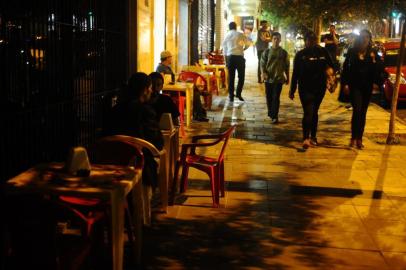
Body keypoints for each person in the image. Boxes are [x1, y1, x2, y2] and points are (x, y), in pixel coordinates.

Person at [104, 72, 163, 187]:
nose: (151, 91)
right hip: (139, 164)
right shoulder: (145, 111)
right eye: (150, 88)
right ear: (145, 90)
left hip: (112, 160)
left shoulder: (115, 110)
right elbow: (158, 143)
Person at [289, 31, 334, 149]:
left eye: (313, 40)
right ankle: (306, 138)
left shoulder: (323, 52)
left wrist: (330, 73)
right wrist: (292, 89)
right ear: (305, 41)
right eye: (309, 40)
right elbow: (295, 73)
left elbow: (333, 66)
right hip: (305, 87)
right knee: (308, 111)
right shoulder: (300, 55)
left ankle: (313, 136)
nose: (311, 42)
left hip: (319, 87)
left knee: (314, 112)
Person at [341, 29, 384, 149]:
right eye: (363, 37)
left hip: (367, 86)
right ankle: (353, 137)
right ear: (359, 38)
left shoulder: (373, 52)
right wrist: (345, 84)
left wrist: (377, 82)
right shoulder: (352, 51)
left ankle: (359, 138)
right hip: (355, 86)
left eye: (367, 37)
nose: (364, 39)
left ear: (369, 39)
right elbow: (346, 69)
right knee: (357, 110)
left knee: (363, 113)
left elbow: (380, 68)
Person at [156, 50, 209, 122]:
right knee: (195, 93)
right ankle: (198, 114)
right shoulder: (160, 67)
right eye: (170, 57)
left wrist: (180, 80)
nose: (171, 59)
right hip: (171, 91)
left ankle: (198, 114)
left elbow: (172, 79)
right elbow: (163, 81)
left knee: (193, 89)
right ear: (166, 58)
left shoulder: (167, 67)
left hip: (175, 87)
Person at [260, 32, 290, 123]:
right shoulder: (267, 52)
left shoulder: (284, 53)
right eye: (274, 38)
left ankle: (275, 116)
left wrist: (288, 77)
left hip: (279, 79)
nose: (276, 40)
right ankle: (271, 113)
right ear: (272, 40)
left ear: (280, 40)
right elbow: (262, 64)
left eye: (278, 38)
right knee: (269, 97)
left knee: (276, 97)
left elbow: (287, 66)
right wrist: (263, 73)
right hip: (268, 79)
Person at [222, 21, 251, 102]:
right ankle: (238, 94)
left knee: (231, 77)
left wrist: (226, 61)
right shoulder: (240, 34)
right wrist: (244, 49)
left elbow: (224, 50)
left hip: (230, 58)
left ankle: (231, 95)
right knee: (241, 77)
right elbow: (248, 43)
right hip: (239, 58)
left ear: (229, 27)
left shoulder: (227, 35)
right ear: (235, 27)